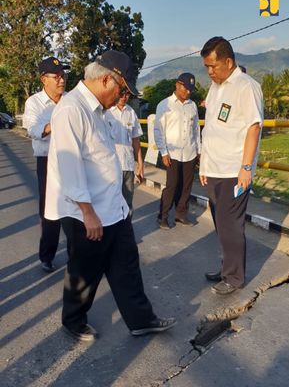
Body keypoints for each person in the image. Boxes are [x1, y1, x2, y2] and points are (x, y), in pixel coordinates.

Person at [44, 50, 176, 342]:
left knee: (126, 264)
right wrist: (88, 212)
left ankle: (141, 319)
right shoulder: (71, 110)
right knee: (85, 270)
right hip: (86, 212)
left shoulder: (99, 112)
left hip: (113, 208)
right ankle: (73, 320)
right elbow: (69, 166)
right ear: (106, 79)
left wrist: (120, 201)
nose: (121, 97)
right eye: (121, 89)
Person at [199, 37, 263, 295]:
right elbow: (213, 127)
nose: (210, 72)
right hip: (214, 169)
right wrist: (204, 165)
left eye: (213, 66)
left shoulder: (246, 86)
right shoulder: (215, 88)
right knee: (220, 224)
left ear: (228, 61)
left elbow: (254, 127)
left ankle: (234, 277)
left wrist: (246, 169)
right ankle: (226, 266)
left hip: (234, 172)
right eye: (206, 67)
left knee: (231, 225)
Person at [23, 57, 69, 272]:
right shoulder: (34, 103)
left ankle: (76, 253)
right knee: (50, 211)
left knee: (76, 207)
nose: (61, 80)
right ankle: (47, 255)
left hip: (72, 160)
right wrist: (56, 123)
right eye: (56, 76)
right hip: (47, 160)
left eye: (63, 76)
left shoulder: (71, 100)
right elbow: (33, 129)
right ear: (44, 79)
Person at [154, 73, 200, 229]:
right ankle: (163, 216)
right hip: (172, 154)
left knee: (186, 186)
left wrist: (198, 150)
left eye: (191, 89)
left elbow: (196, 130)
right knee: (172, 186)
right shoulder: (164, 105)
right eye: (186, 88)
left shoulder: (192, 105)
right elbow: (158, 130)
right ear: (177, 85)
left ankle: (181, 214)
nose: (189, 92)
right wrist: (164, 152)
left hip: (190, 152)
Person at [105, 92, 143, 216]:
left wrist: (140, 164)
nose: (123, 97)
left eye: (126, 94)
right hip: (111, 165)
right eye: (121, 94)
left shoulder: (131, 113)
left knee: (128, 201)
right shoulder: (107, 112)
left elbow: (136, 139)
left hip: (128, 164)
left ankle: (125, 230)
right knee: (111, 201)